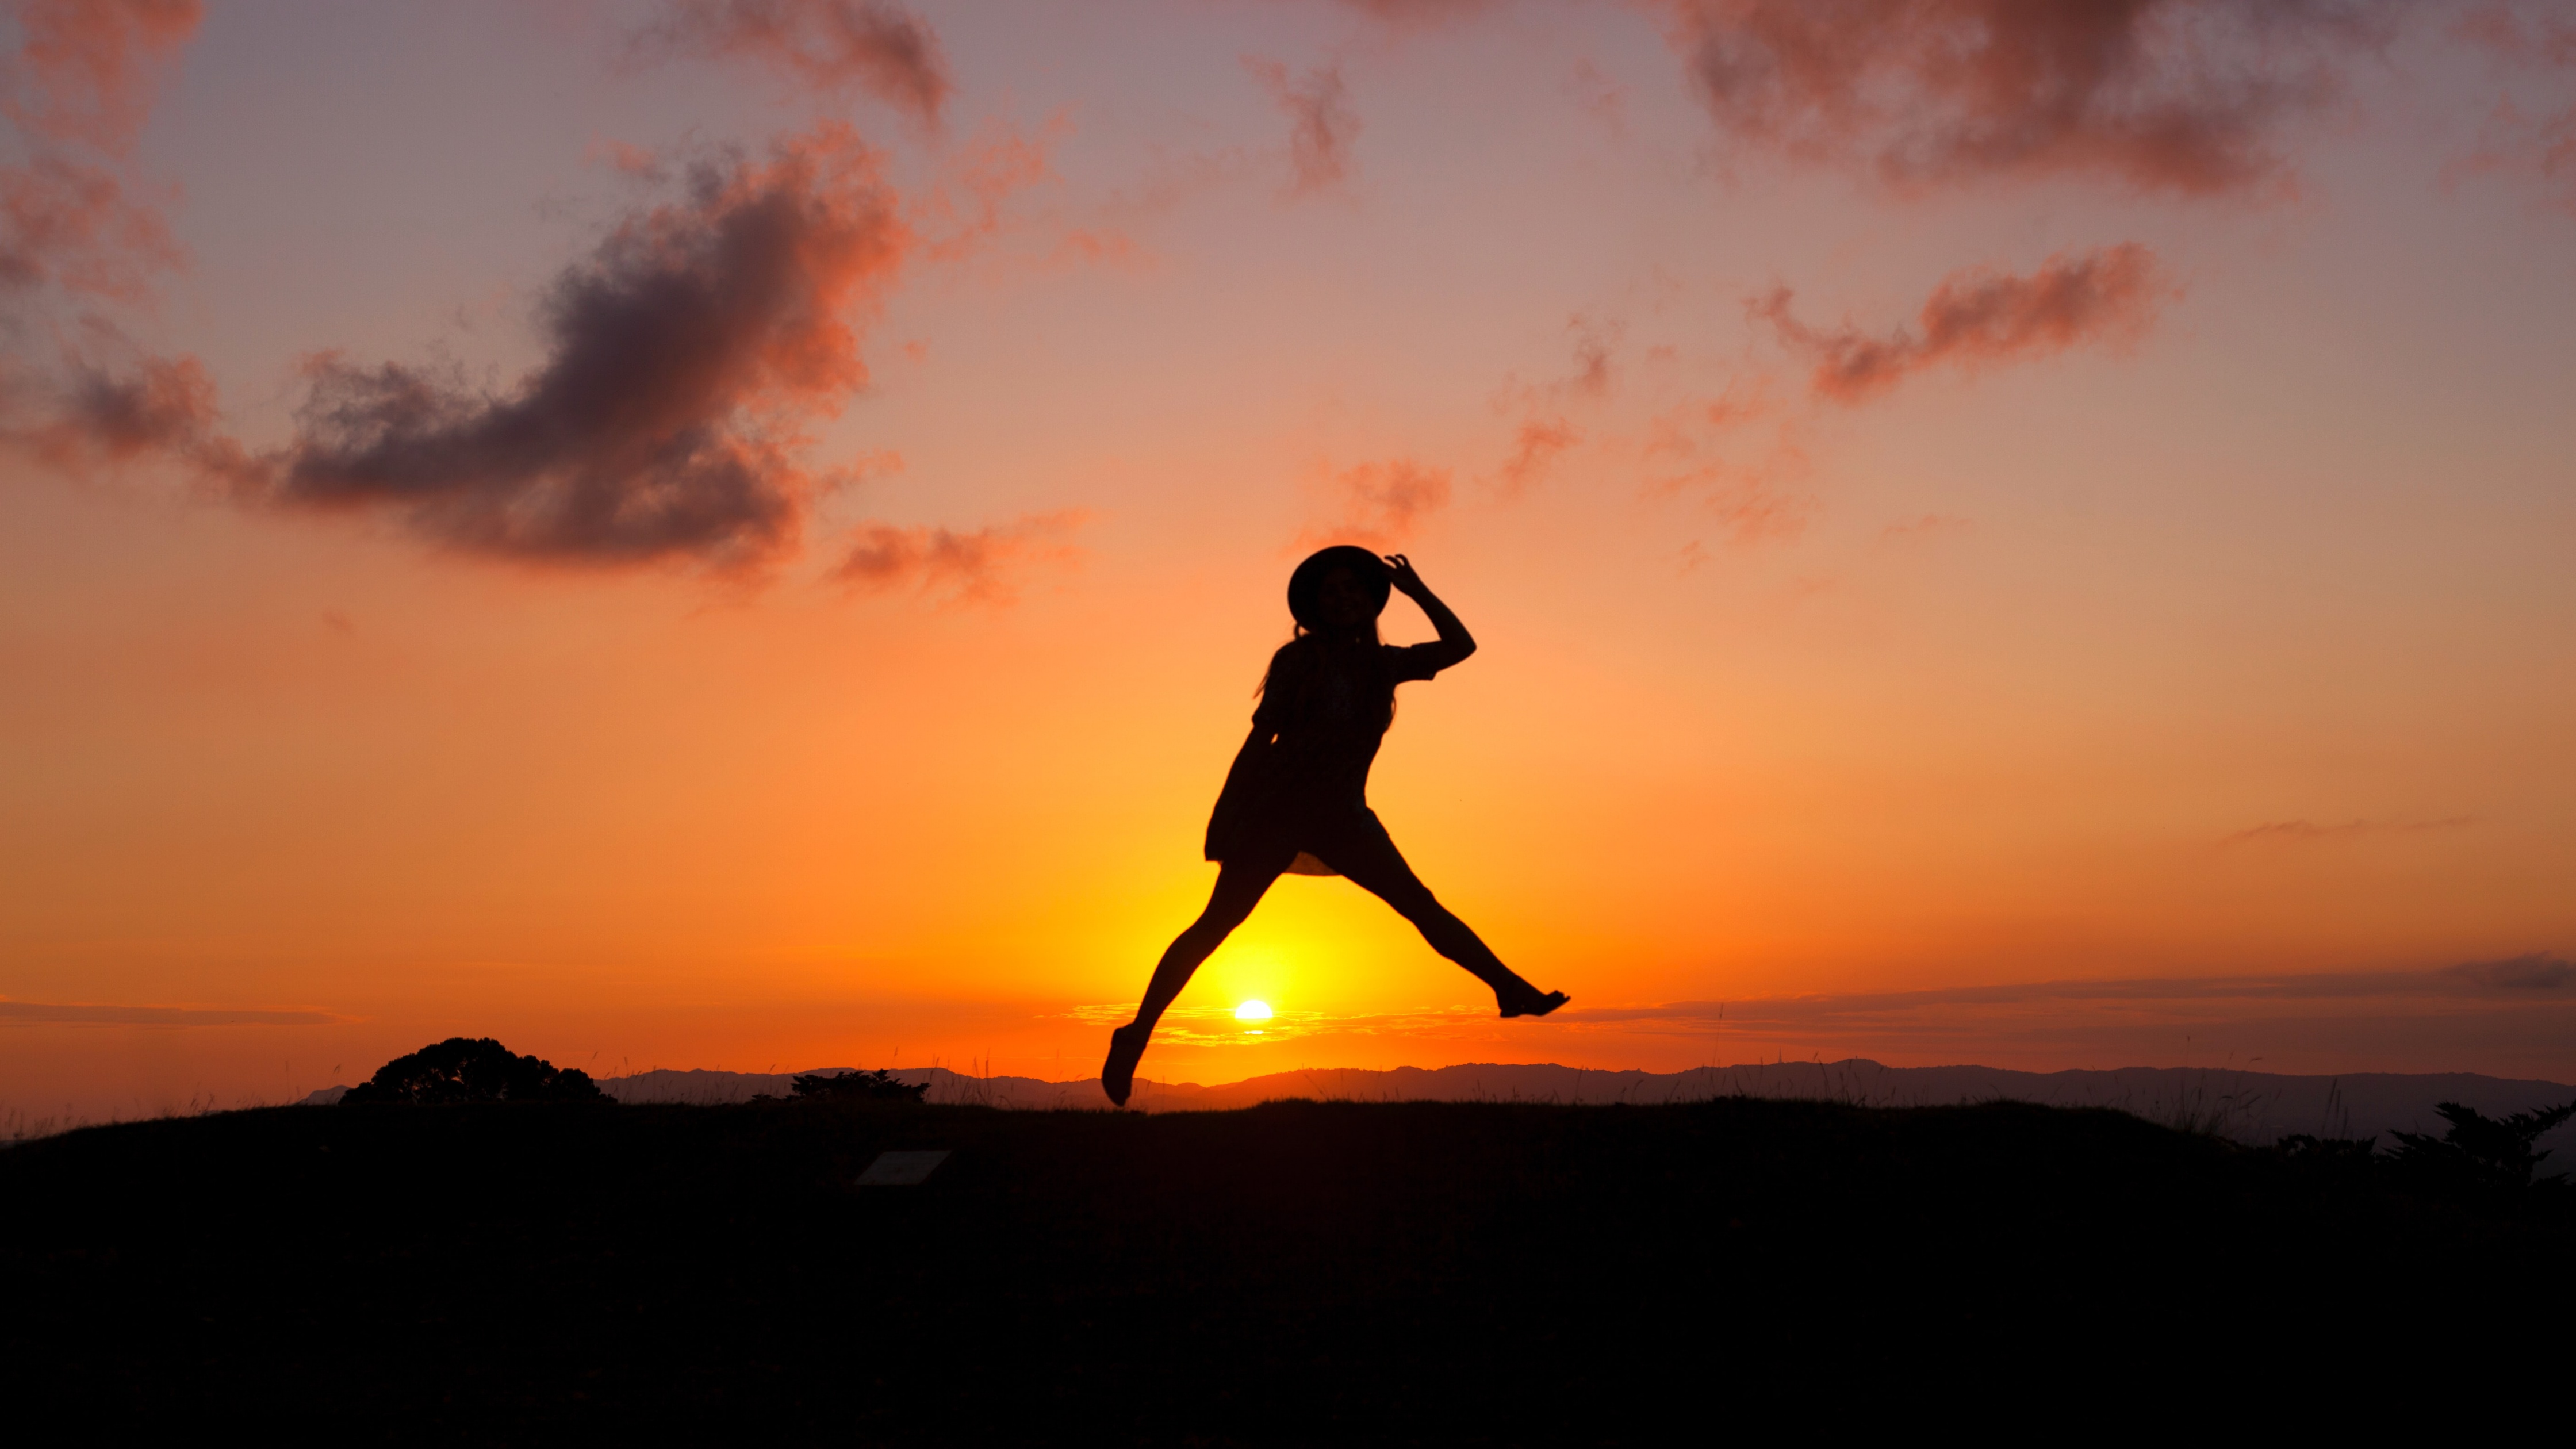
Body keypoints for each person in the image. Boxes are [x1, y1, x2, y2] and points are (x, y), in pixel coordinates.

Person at [1101, 547, 1566, 1106]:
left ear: (1370, 601)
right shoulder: (1298, 660)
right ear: (1315, 608)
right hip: (1276, 811)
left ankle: (1509, 988)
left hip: (1344, 815)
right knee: (1216, 925)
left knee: (1420, 905)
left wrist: (1416, 590)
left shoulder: (1383, 664)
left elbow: (1460, 647)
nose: (1344, 599)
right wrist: (1227, 813)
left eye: (1353, 591)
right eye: (1332, 593)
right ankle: (1137, 1033)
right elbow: (1260, 739)